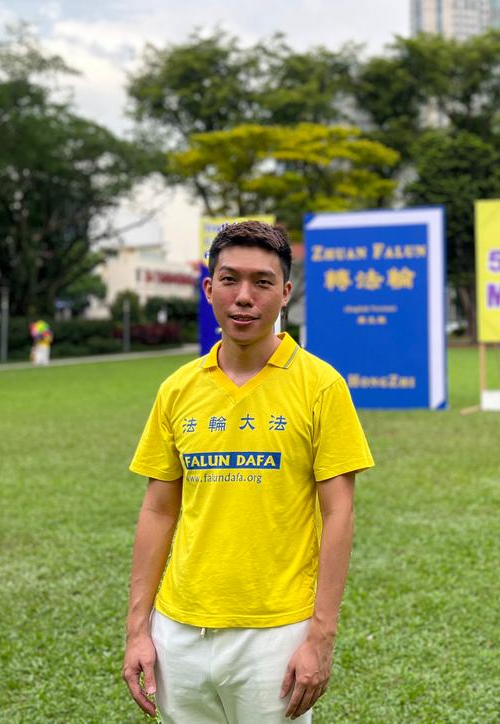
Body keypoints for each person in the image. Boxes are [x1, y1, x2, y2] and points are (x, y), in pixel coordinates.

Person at [123, 221, 374, 722]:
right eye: (230, 279)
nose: (244, 297)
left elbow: (338, 513)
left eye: (261, 283)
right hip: (178, 630)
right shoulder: (177, 388)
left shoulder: (322, 386)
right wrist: (138, 630)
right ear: (208, 288)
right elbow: (157, 508)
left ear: (284, 294)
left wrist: (320, 636)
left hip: (276, 635)